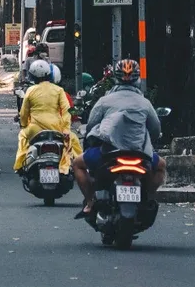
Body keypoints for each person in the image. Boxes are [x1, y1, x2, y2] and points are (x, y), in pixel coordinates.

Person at [71, 59, 166, 220]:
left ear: (114, 78)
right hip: (140, 154)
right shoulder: (145, 103)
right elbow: (156, 130)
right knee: (161, 166)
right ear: (138, 79)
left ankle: (89, 202)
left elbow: (92, 124)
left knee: (77, 164)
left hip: (109, 153)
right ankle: (148, 196)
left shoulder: (104, 101)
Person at [13, 61, 83, 174]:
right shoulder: (59, 91)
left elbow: (24, 112)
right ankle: (81, 166)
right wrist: (65, 128)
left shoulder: (31, 90)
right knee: (73, 140)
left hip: (35, 129)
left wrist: (24, 124)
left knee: (22, 136)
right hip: (57, 127)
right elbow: (67, 110)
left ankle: (20, 165)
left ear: (32, 76)